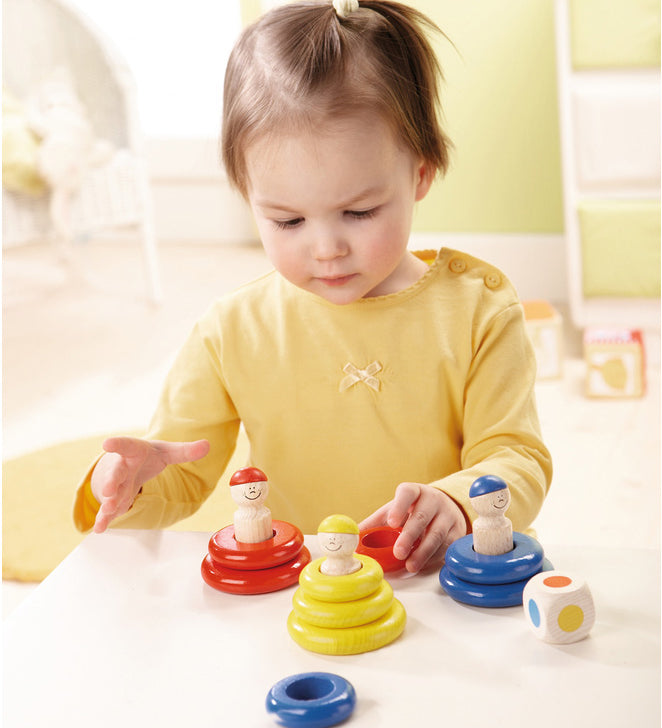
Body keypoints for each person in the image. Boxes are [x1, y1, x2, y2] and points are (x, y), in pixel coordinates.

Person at [73, 0, 552, 573]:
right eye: (288, 222)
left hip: (439, 578)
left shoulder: (479, 310)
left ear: (420, 172)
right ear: (248, 195)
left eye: (360, 211)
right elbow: (182, 472)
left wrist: (457, 502)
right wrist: (123, 482)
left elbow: (514, 455)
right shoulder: (232, 330)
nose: (326, 248)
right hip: (300, 587)